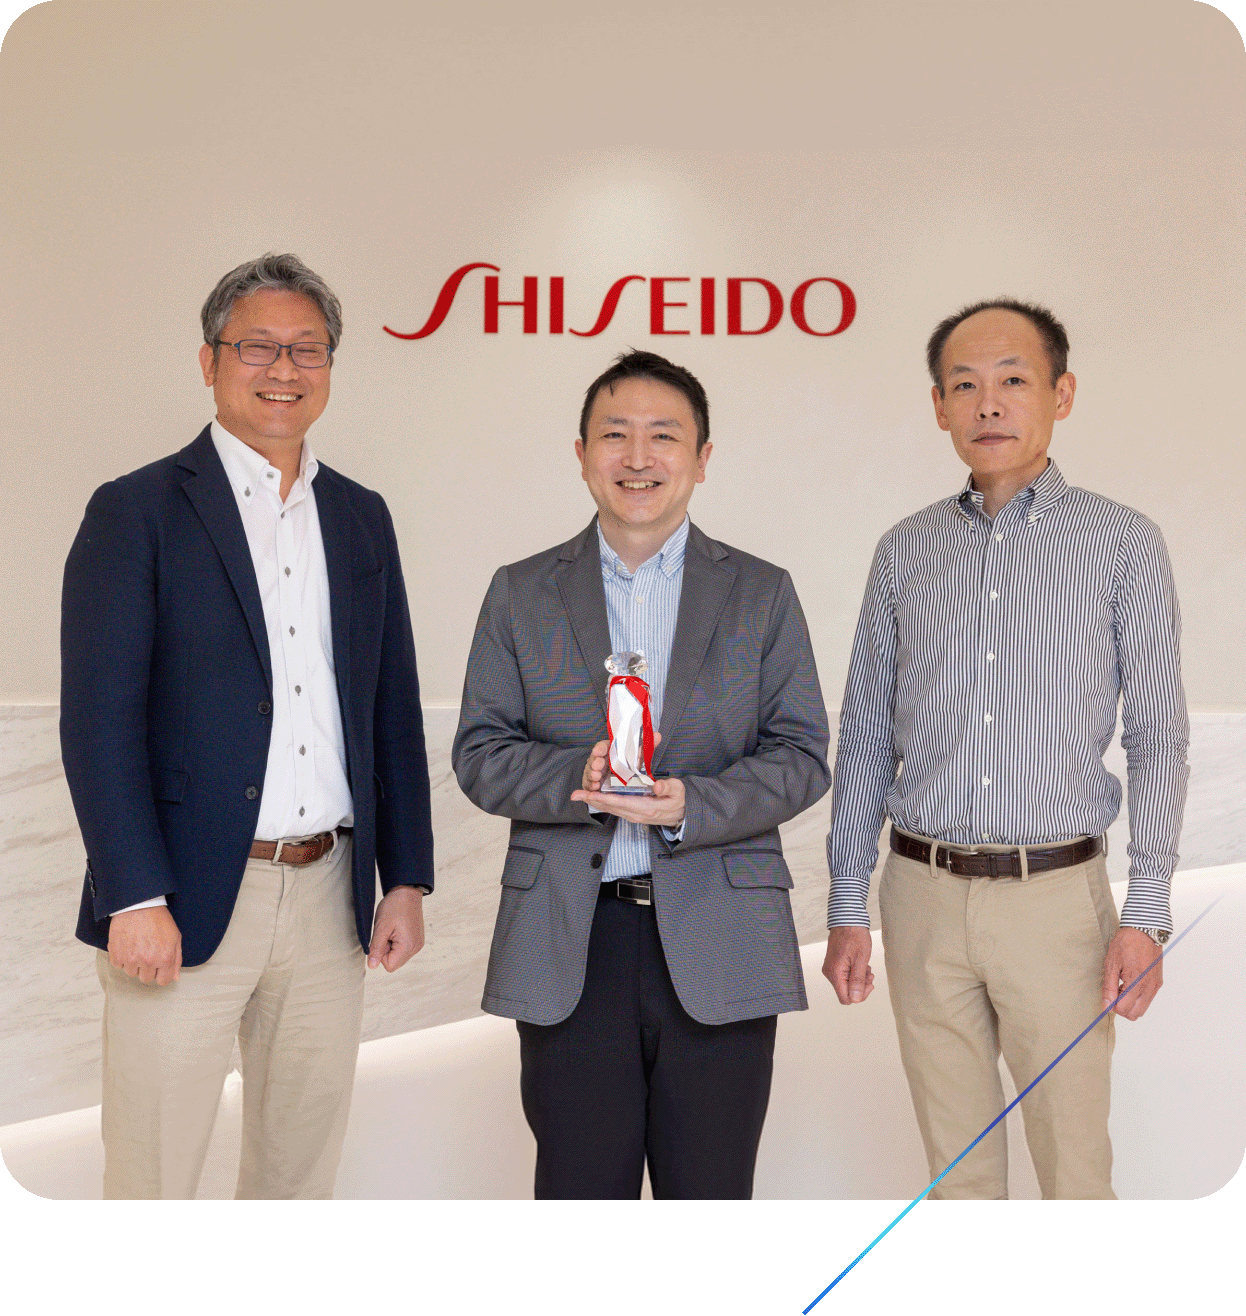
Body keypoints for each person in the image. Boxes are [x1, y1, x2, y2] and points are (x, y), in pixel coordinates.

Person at [61, 253, 435, 1199]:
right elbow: (98, 720)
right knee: (153, 1167)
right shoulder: (135, 510)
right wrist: (132, 894)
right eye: (258, 347)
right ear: (209, 361)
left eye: (307, 349)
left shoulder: (360, 518)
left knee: (298, 1168)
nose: (283, 369)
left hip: (330, 892)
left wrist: (407, 879)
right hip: (179, 896)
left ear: (330, 367)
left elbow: (388, 703)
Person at [822, 299, 1188, 1199]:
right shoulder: (904, 551)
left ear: (1061, 394)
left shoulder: (1122, 543)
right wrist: (845, 901)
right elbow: (866, 731)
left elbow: (1159, 735)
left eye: (1013, 381)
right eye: (965, 385)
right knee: (953, 1172)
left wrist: (1146, 911)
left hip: (1057, 905)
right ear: (939, 406)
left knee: (1074, 1167)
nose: (989, 404)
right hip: (920, 898)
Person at [453, 350, 831, 1199]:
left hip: (720, 933)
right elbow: (479, 753)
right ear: (581, 452)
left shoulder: (761, 594)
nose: (638, 457)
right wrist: (571, 775)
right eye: (615, 435)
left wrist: (694, 802)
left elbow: (803, 755)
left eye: (665, 436)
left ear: (702, 458)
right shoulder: (521, 593)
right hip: (571, 941)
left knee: (712, 1187)